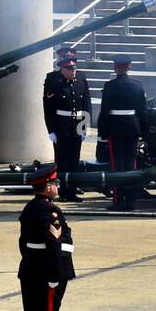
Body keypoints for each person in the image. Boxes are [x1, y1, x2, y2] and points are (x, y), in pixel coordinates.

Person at [17, 164, 73, 311]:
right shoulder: (50, 210)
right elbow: (53, 245)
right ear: (48, 187)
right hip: (46, 272)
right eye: (55, 183)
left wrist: (30, 260)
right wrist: (54, 275)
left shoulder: (30, 208)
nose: (57, 186)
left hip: (31, 269)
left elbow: (23, 242)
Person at [97, 54, 146, 211]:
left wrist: (102, 131)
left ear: (115, 67)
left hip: (115, 129)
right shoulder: (137, 86)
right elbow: (142, 111)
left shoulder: (110, 86)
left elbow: (104, 111)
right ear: (128, 67)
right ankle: (130, 200)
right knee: (130, 164)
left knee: (116, 165)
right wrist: (141, 130)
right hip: (132, 128)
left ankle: (118, 201)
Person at [42, 50, 91, 203]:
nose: (73, 72)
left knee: (74, 160)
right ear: (62, 69)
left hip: (77, 125)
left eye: (74, 69)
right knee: (62, 161)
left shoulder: (81, 77)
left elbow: (86, 103)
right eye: (70, 70)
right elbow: (48, 108)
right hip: (61, 126)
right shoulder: (53, 80)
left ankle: (72, 191)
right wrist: (51, 131)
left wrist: (84, 126)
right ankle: (62, 191)